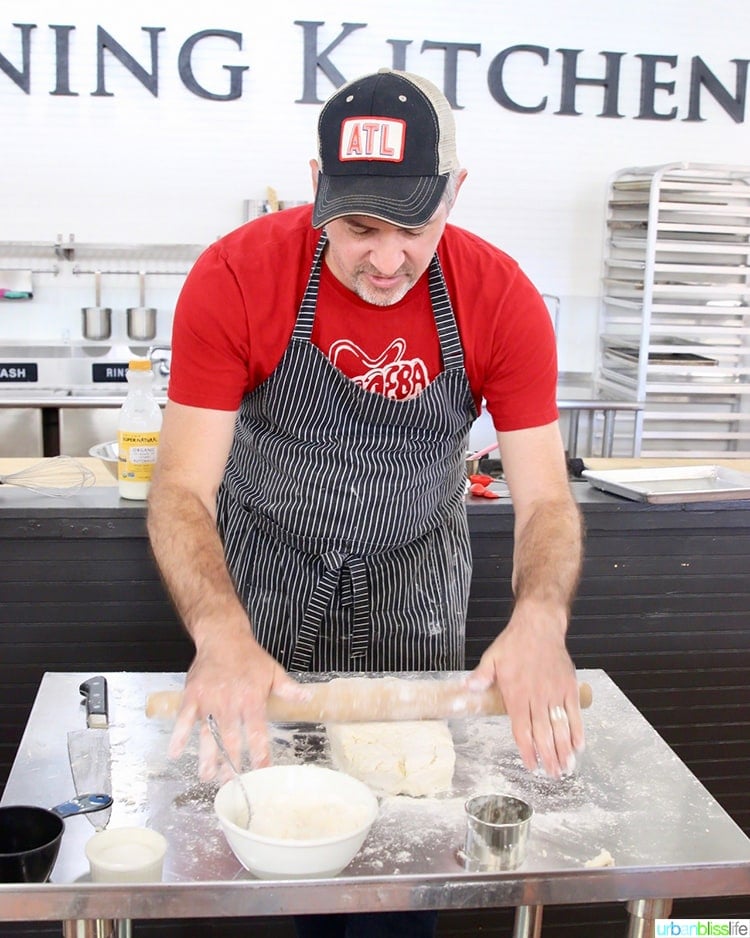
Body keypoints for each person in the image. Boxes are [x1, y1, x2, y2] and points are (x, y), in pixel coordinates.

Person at [147, 68, 584, 936]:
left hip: (414, 581)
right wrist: (220, 633)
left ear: (455, 193)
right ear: (317, 189)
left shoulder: (499, 298)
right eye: (357, 228)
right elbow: (179, 490)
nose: (385, 260)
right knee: (279, 837)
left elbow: (547, 503)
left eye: (413, 228)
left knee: (408, 851)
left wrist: (541, 616)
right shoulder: (237, 276)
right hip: (262, 583)